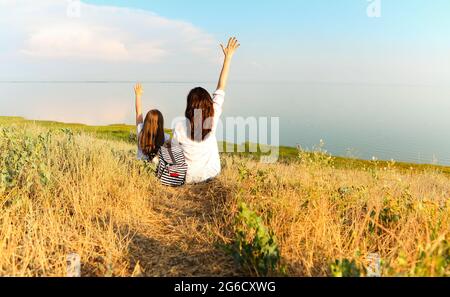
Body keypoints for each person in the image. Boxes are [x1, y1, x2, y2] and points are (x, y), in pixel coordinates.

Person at [173, 37, 240, 184]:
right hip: (211, 174)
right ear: (209, 103)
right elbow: (221, 87)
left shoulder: (179, 126)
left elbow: (175, 153)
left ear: (189, 105)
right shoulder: (213, 116)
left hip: (188, 178)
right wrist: (228, 58)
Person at [134, 83, 170, 163]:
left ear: (147, 121)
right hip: (155, 171)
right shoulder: (166, 137)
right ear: (161, 123)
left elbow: (138, 112)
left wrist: (138, 95)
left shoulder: (140, 130)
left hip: (139, 169)